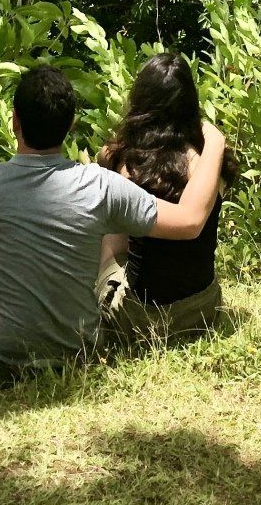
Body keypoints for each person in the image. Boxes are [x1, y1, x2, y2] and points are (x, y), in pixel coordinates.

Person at [0, 63, 227, 382]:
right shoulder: (101, 186)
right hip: (79, 353)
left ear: (14, 119)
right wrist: (214, 140)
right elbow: (188, 220)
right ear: (71, 124)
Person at [96, 52, 238, 343]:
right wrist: (213, 139)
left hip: (139, 320)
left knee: (102, 224)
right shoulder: (210, 161)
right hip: (203, 312)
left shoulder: (123, 162)